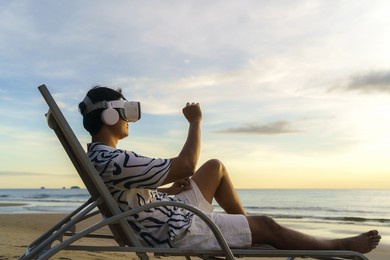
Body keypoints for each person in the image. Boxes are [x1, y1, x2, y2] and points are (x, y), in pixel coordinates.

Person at [78, 86, 381, 253]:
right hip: (175, 229)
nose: (128, 119)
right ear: (108, 116)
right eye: (124, 112)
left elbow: (126, 194)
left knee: (215, 167)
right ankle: (338, 246)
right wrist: (196, 122)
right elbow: (185, 165)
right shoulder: (114, 160)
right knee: (268, 225)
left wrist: (165, 191)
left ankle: (245, 227)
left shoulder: (103, 158)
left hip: (165, 210)